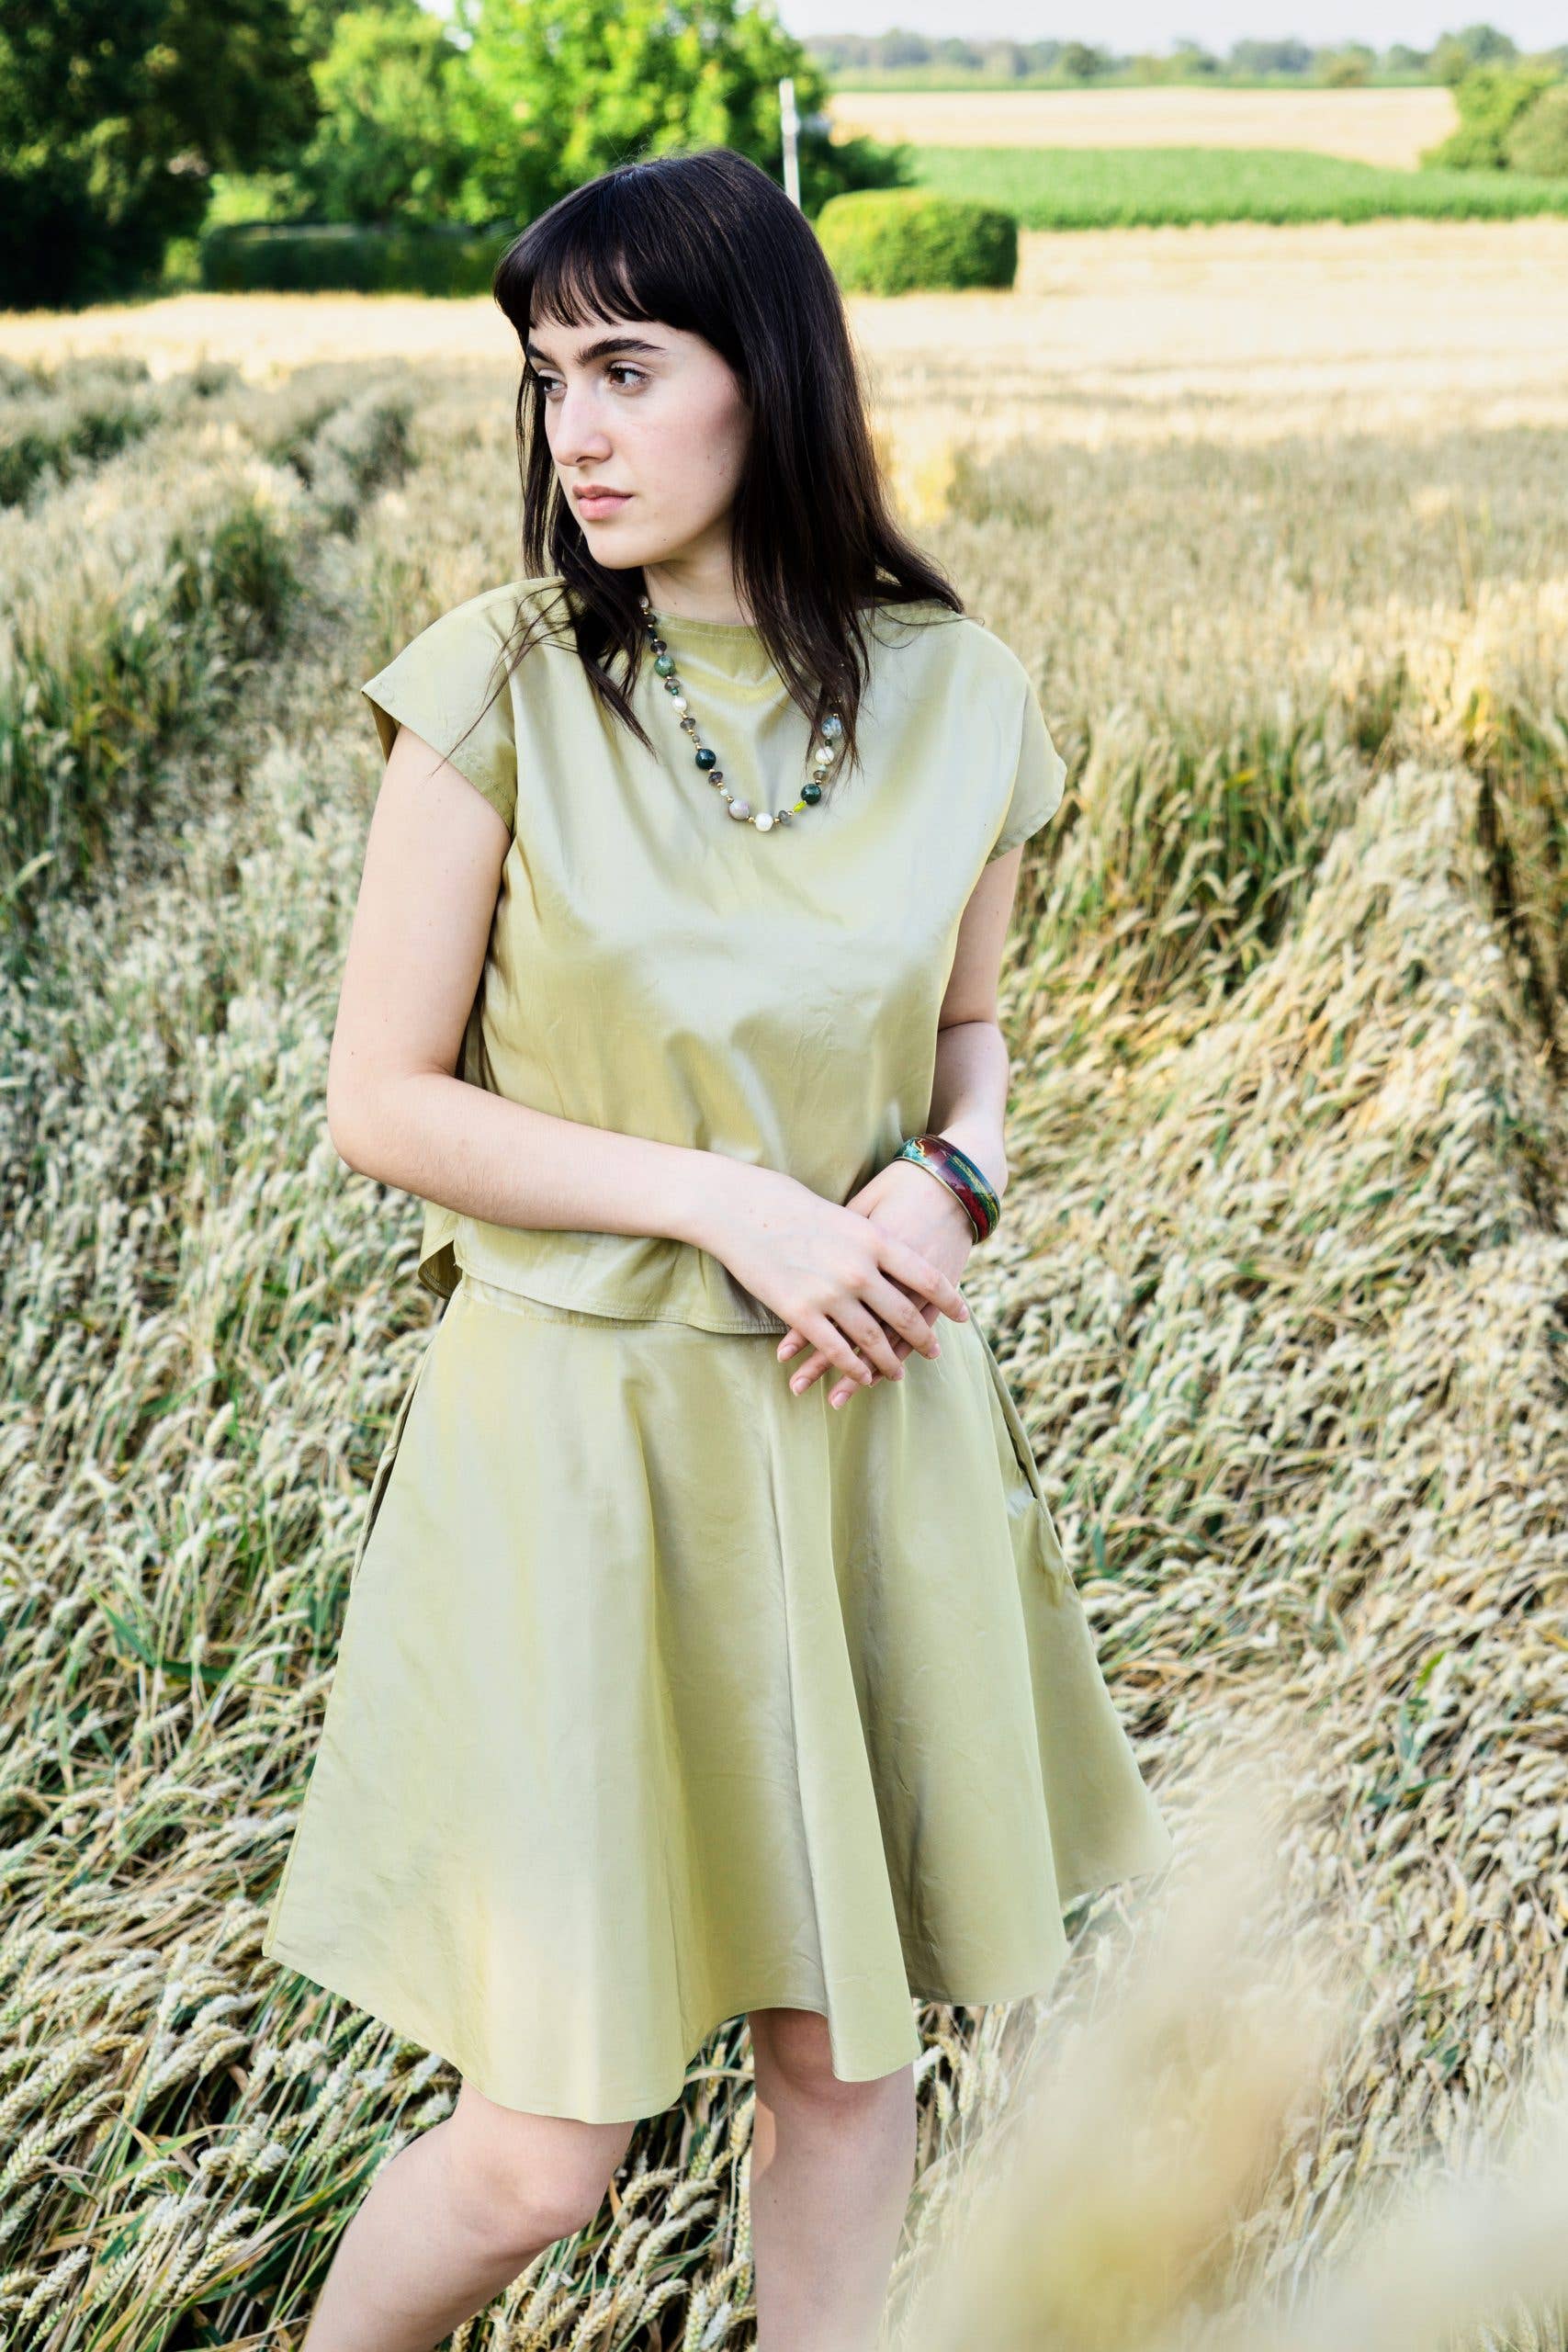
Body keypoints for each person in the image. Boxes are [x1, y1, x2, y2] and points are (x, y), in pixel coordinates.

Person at [261, 143, 1172, 2352]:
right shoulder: (495, 688)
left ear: (766, 373)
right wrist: (729, 1199)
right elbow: (383, 1098)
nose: (569, 429)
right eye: (544, 376)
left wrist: (947, 1179)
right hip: (585, 1446)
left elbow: (968, 1046)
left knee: (844, 2061)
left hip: (860, 1428)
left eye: (624, 369)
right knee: (539, 2149)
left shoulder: (958, 694)